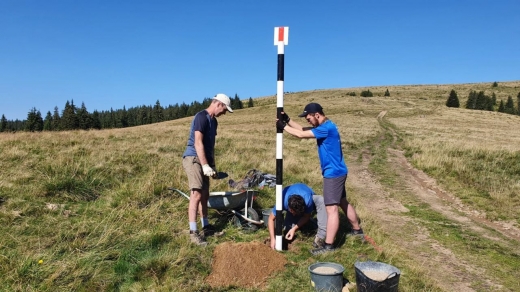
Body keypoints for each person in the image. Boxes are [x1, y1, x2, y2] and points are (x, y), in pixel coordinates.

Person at [276, 102, 363, 255]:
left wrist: (282, 127)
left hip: (333, 174)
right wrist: (288, 120)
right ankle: (357, 230)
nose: (307, 120)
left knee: (331, 209)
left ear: (317, 115)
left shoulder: (326, 128)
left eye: (309, 117)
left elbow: (301, 135)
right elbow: (303, 130)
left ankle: (328, 246)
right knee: (342, 202)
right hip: (339, 171)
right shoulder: (326, 126)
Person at [182, 93, 233, 246]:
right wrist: (204, 165)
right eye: (224, 109)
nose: (224, 113)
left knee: (205, 195)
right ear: (218, 104)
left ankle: (207, 228)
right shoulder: (201, 117)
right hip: (193, 158)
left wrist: (212, 166)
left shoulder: (214, 122)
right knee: (196, 194)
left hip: (204, 159)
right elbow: (198, 143)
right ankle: (193, 232)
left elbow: (210, 146)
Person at [268, 183, 327, 250]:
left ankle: (320, 236)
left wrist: (294, 229)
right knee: (287, 231)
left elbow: (306, 216)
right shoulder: (281, 200)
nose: (294, 214)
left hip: (308, 194)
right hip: (290, 195)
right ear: (289, 208)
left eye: (296, 213)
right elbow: (271, 219)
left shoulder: (308, 200)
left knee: (321, 201)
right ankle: (306, 222)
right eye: (293, 212)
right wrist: (272, 238)